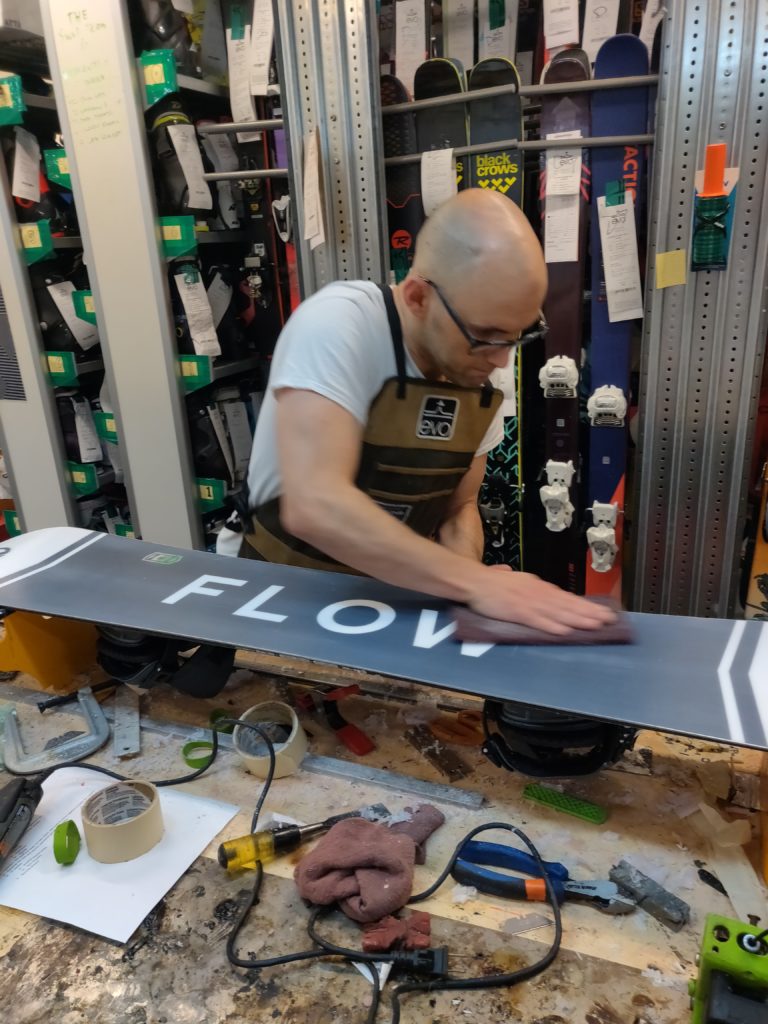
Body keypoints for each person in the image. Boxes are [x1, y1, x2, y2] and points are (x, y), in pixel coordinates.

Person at [217, 189, 614, 636]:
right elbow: (314, 505)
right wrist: (476, 582)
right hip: (272, 591)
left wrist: (464, 594)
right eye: (485, 335)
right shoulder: (340, 324)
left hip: (382, 602)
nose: (502, 361)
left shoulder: (481, 365)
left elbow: (458, 506)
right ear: (417, 297)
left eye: (515, 337)